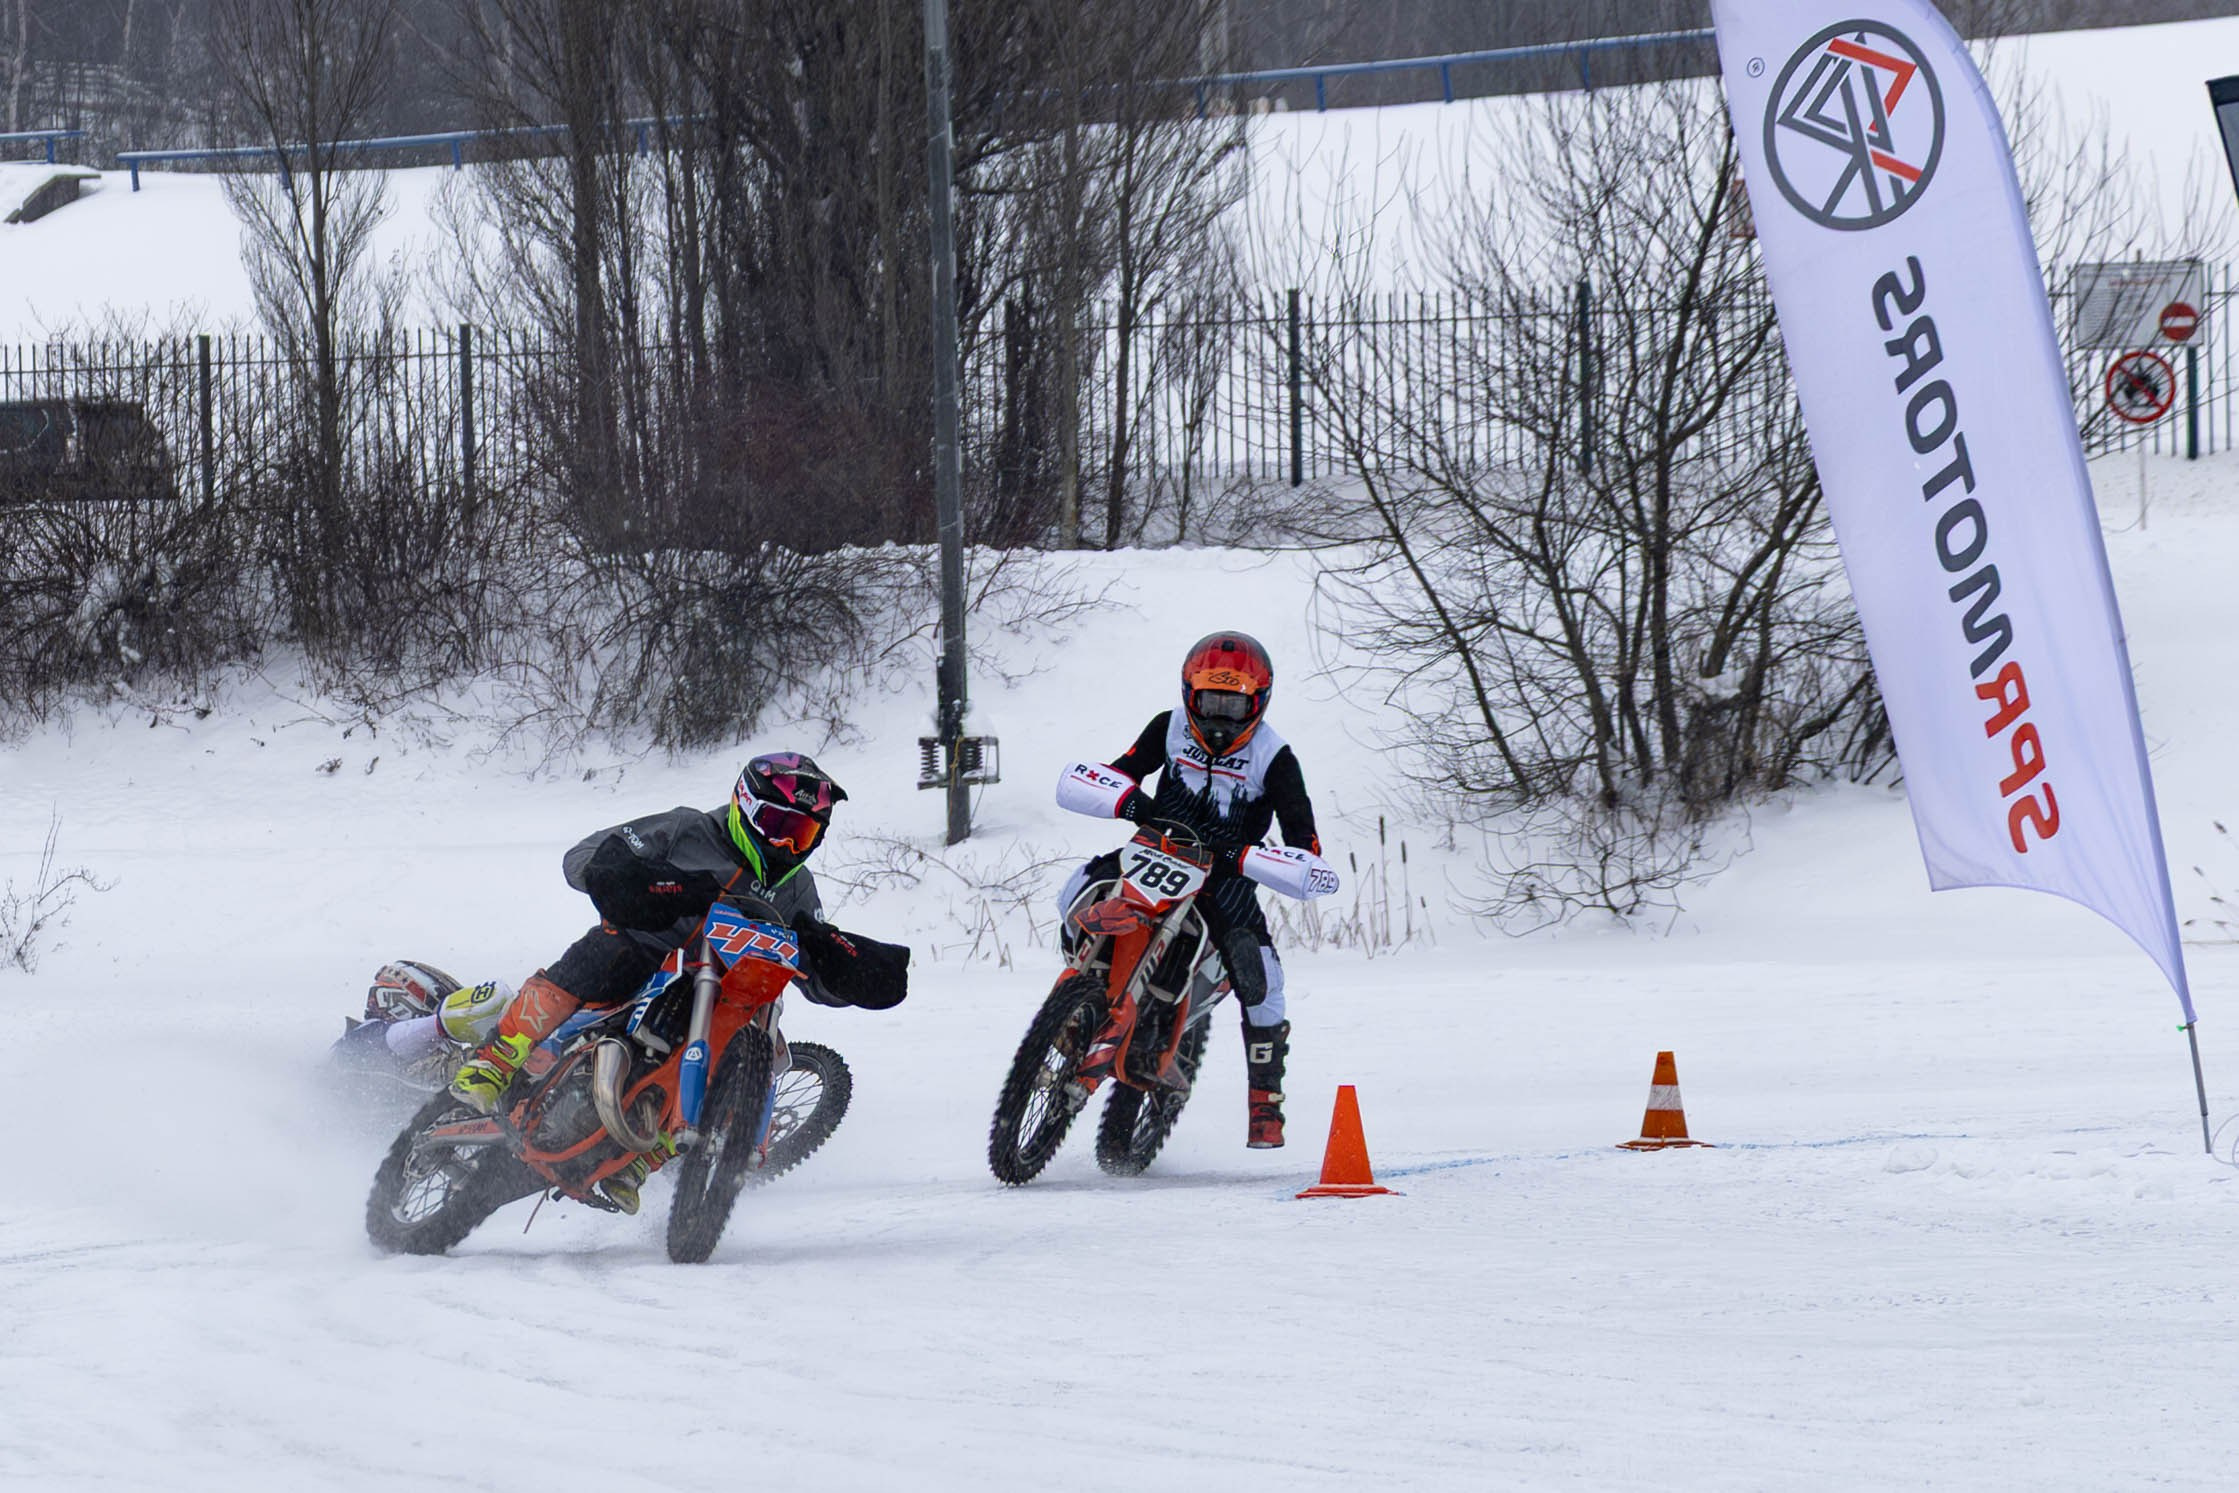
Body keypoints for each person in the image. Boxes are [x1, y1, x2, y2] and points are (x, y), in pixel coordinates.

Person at [447, 751, 906, 1212]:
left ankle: (645, 1158)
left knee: (740, 1037)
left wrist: (844, 971)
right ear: (745, 805)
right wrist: (644, 885)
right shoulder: (687, 830)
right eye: (777, 826)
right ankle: (494, 1061)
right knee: (610, 953)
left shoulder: (797, 889)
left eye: (801, 834)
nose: (786, 845)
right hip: (644, 951)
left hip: (713, 991)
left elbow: (811, 966)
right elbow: (584, 858)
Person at [1055, 631, 1321, 1149]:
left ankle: (1265, 1101)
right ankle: (1082, 985)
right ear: (1189, 695)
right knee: (1077, 888)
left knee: (1262, 978)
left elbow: (1304, 839)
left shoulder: (1275, 756)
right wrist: (1124, 799)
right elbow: (1119, 772)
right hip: (1155, 847)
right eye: (1211, 702)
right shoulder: (1168, 727)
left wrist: (1281, 860)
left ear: (1258, 702)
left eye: (1234, 704)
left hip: (1225, 874)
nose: (1221, 718)